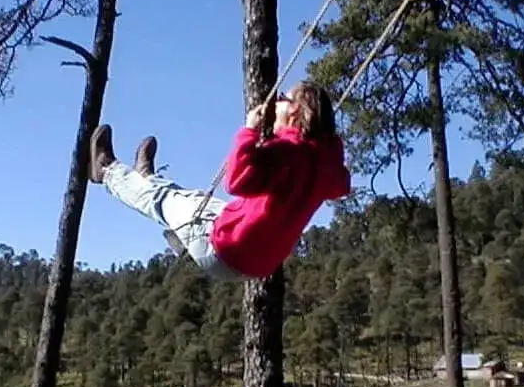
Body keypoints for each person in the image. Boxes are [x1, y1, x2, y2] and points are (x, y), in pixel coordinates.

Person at [88, 81, 353, 281]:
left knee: (162, 202)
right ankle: (147, 178)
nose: (276, 100)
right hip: (255, 261)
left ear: (295, 113)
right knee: (191, 199)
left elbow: (236, 181)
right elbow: (341, 182)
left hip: (223, 250)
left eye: (283, 97)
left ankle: (106, 171)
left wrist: (250, 131)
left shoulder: (288, 151)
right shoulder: (325, 166)